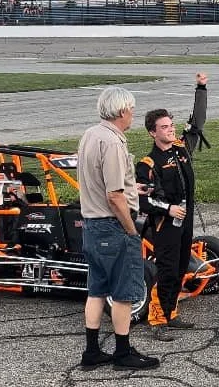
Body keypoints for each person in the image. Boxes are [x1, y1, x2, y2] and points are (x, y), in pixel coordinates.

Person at [76, 87, 160, 371]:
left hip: (91, 223)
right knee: (124, 291)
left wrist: (129, 188)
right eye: (132, 110)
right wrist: (131, 229)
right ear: (123, 111)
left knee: (96, 289)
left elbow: (101, 182)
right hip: (112, 226)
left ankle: (92, 350)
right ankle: (123, 351)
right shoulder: (112, 142)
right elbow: (114, 195)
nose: (133, 114)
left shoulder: (89, 135)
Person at [136, 73, 208, 341]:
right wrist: (167, 209)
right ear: (152, 132)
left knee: (180, 269)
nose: (170, 129)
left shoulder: (182, 148)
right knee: (166, 271)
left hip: (185, 219)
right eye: (164, 127)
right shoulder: (148, 163)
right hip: (166, 223)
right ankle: (156, 319)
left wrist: (201, 88)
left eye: (171, 125)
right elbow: (142, 199)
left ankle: (171, 313)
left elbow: (198, 122)